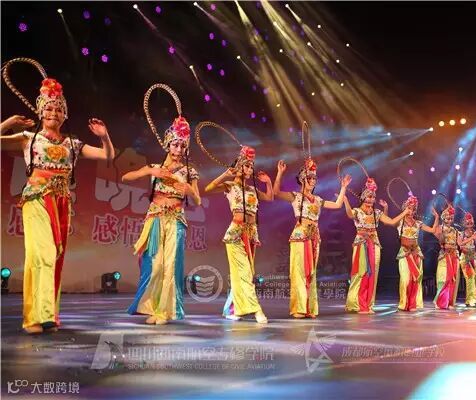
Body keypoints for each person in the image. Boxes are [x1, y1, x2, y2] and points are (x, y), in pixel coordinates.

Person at [1, 58, 114, 334]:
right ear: (41, 111)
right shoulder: (28, 138)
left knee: (55, 257)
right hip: (36, 199)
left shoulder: (72, 144)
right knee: (42, 253)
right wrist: (9, 122)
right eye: (49, 108)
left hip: (62, 202)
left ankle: (48, 314)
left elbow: (107, 156)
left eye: (58, 109)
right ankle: (35, 317)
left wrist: (104, 136)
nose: (54, 112)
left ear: (65, 115)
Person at [124, 85, 201, 324]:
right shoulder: (156, 168)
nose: (178, 149)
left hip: (176, 220)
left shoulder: (189, 171)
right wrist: (148, 171)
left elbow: (197, 200)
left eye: (182, 146)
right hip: (156, 219)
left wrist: (188, 190)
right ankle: (152, 306)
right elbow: (126, 177)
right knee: (155, 265)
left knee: (170, 264)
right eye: (175, 144)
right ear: (168, 144)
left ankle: (165, 312)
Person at [274, 158, 351, 318]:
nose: (313, 181)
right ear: (303, 179)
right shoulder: (296, 197)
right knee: (299, 272)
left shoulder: (317, 199)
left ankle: (309, 308)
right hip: (300, 236)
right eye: (310, 178)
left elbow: (337, 205)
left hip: (314, 237)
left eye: (315, 178)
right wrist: (280, 173)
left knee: (311, 272)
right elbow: (276, 192)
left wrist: (343, 187)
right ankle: (298, 308)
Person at [205, 146, 273, 323]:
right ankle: (256, 310)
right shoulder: (230, 186)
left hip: (251, 233)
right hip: (235, 232)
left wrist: (268, 182)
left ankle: (233, 308)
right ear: (238, 166)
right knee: (244, 272)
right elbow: (208, 188)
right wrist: (226, 174)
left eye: (251, 167)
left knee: (244, 273)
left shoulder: (252, 189)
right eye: (247, 166)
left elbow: (269, 198)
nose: (250, 170)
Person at [341, 177, 405, 314]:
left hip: (374, 244)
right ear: (363, 198)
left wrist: (404, 213)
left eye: (373, 197)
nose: (371, 200)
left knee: (373, 274)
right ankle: (356, 304)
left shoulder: (377, 213)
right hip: (361, 244)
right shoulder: (357, 211)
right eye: (369, 197)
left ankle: (368, 304)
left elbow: (391, 222)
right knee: (361, 272)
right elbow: (349, 214)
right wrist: (345, 200)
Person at [457, 212, 476, 307]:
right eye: (467, 222)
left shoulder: (475, 233)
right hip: (465, 258)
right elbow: (460, 244)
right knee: (470, 278)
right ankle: (470, 300)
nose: (469, 224)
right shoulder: (461, 234)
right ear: (464, 223)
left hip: (474, 258)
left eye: (471, 222)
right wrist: (472, 238)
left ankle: (473, 299)